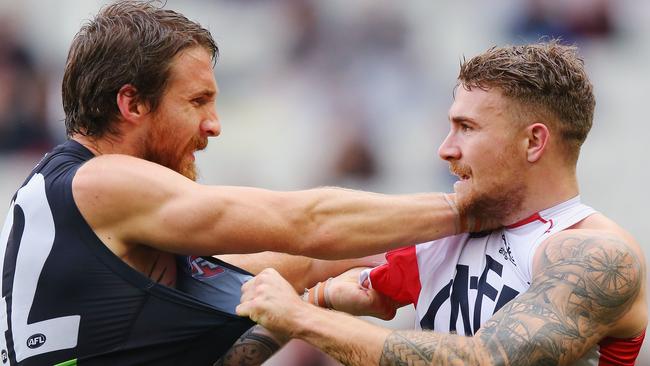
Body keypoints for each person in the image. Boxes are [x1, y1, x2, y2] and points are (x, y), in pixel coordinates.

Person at [0, 2, 492, 365]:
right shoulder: (100, 182)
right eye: (197, 101)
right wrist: (470, 209)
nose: (214, 125)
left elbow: (292, 264)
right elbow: (305, 222)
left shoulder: (95, 220)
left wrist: (322, 295)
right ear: (131, 104)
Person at [237, 41, 648, 365]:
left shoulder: (597, 253)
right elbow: (306, 271)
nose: (445, 150)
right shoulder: (443, 240)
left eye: (466, 128)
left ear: (534, 141)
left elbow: (487, 359)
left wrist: (303, 317)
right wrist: (314, 300)